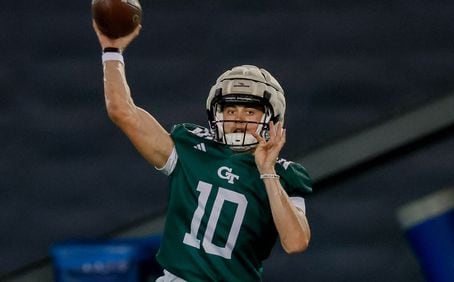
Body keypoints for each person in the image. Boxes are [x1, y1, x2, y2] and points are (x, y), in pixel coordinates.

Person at [93, 21, 312, 281]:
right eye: (230, 110)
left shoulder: (283, 173)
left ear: (271, 119)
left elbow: (296, 242)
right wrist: (111, 50)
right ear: (216, 113)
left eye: (250, 111)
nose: (238, 118)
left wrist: (266, 172)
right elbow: (122, 111)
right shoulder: (193, 148)